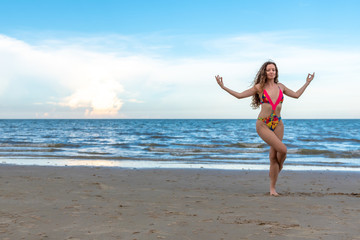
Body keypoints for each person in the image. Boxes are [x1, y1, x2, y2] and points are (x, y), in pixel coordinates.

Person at [215, 61, 315, 196]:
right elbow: (239, 95)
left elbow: (296, 95)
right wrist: (223, 87)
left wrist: (307, 82)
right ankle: (279, 168)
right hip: (263, 124)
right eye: (269, 70)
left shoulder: (281, 87)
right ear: (265, 72)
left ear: (276, 72)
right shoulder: (259, 87)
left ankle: (272, 189)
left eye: (273, 70)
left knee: (274, 157)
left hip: (278, 123)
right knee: (283, 150)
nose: (271, 72)